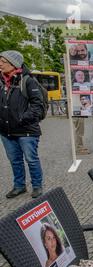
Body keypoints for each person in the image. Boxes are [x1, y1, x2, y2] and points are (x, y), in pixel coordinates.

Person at [0, 50, 44, 198]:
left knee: (31, 159)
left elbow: (37, 105)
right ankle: (19, 186)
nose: (0, 64)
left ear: (14, 64)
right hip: (6, 130)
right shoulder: (1, 81)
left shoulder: (27, 80)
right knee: (15, 160)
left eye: (3, 61)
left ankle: (37, 186)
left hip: (26, 130)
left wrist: (22, 118)